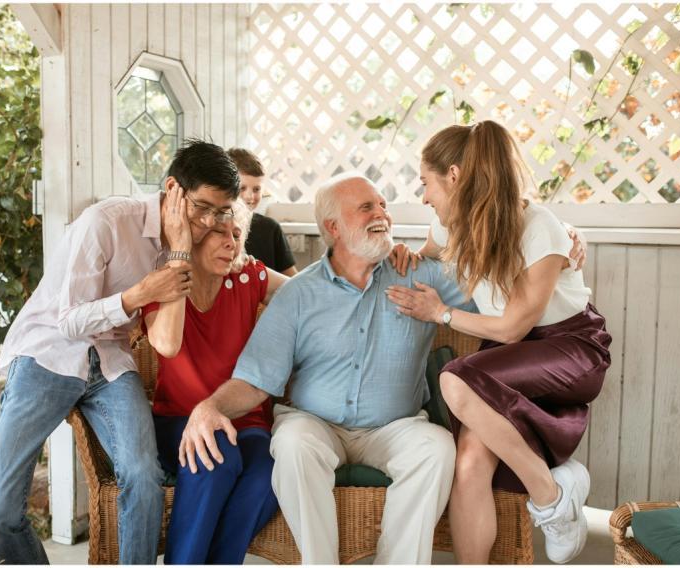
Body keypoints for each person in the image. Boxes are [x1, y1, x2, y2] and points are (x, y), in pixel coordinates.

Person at [177, 171, 477, 564]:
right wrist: (210, 408)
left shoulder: (420, 274)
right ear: (333, 227)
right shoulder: (298, 294)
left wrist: (557, 251)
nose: (382, 213)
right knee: (291, 443)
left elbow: (494, 289)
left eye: (383, 205)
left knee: (436, 449)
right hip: (315, 423)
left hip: (394, 427)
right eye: (367, 206)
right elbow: (255, 379)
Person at [0, 139, 241, 565]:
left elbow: (177, 330)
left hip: (112, 364)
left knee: (142, 475)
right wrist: (136, 295)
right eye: (202, 207)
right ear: (172, 188)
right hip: (49, 353)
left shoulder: (191, 242)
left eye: (221, 212)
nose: (210, 222)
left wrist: (178, 251)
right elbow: (69, 321)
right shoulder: (108, 222)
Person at [385, 120, 611, 564]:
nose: (424, 196)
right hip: (506, 361)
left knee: (455, 382)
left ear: (453, 176)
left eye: (426, 183)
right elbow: (424, 252)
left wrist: (441, 313)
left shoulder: (539, 228)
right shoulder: (451, 228)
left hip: (569, 351)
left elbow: (512, 328)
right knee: (468, 460)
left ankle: (551, 495)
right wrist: (402, 253)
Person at [143, 198, 288, 563]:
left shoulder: (248, 276)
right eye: (219, 233)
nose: (231, 242)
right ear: (194, 237)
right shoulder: (163, 283)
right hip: (178, 419)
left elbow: (307, 293)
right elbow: (167, 344)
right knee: (215, 454)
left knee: (270, 471)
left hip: (246, 419)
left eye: (237, 234)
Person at [227, 147, 298, 276]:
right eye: (242, 188)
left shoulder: (271, 228)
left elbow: (292, 279)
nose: (250, 196)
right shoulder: (216, 228)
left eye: (256, 189)